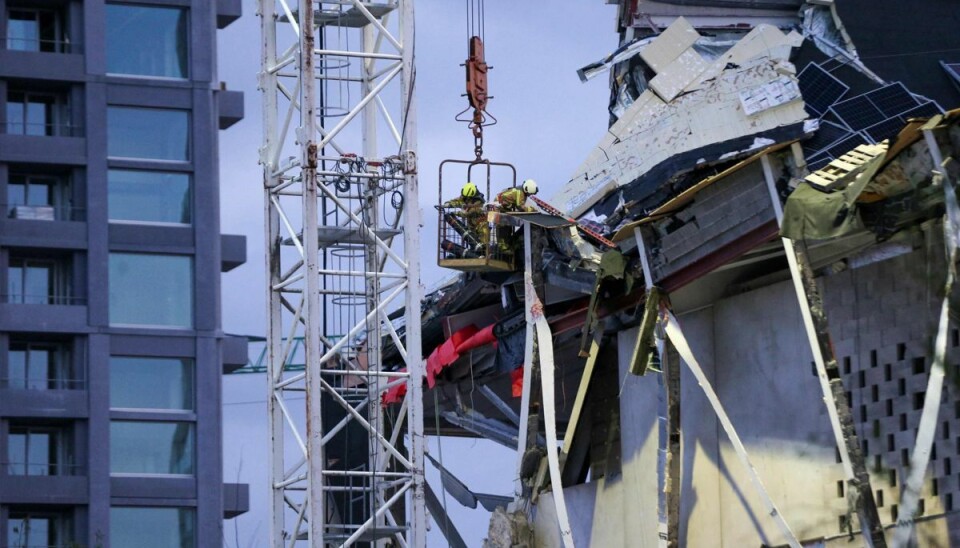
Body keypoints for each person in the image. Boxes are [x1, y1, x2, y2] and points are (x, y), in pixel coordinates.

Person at [443, 181, 488, 255]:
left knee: (483, 246)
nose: (465, 198)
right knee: (473, 244)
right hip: (471, 226)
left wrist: (455, 213)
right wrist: (449, 204)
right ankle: (475, 255)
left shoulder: (479, 203)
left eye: (467, 197)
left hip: (481, 226)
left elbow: (466, 213)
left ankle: (484, 255)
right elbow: (458, 201)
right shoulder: (466, 197)